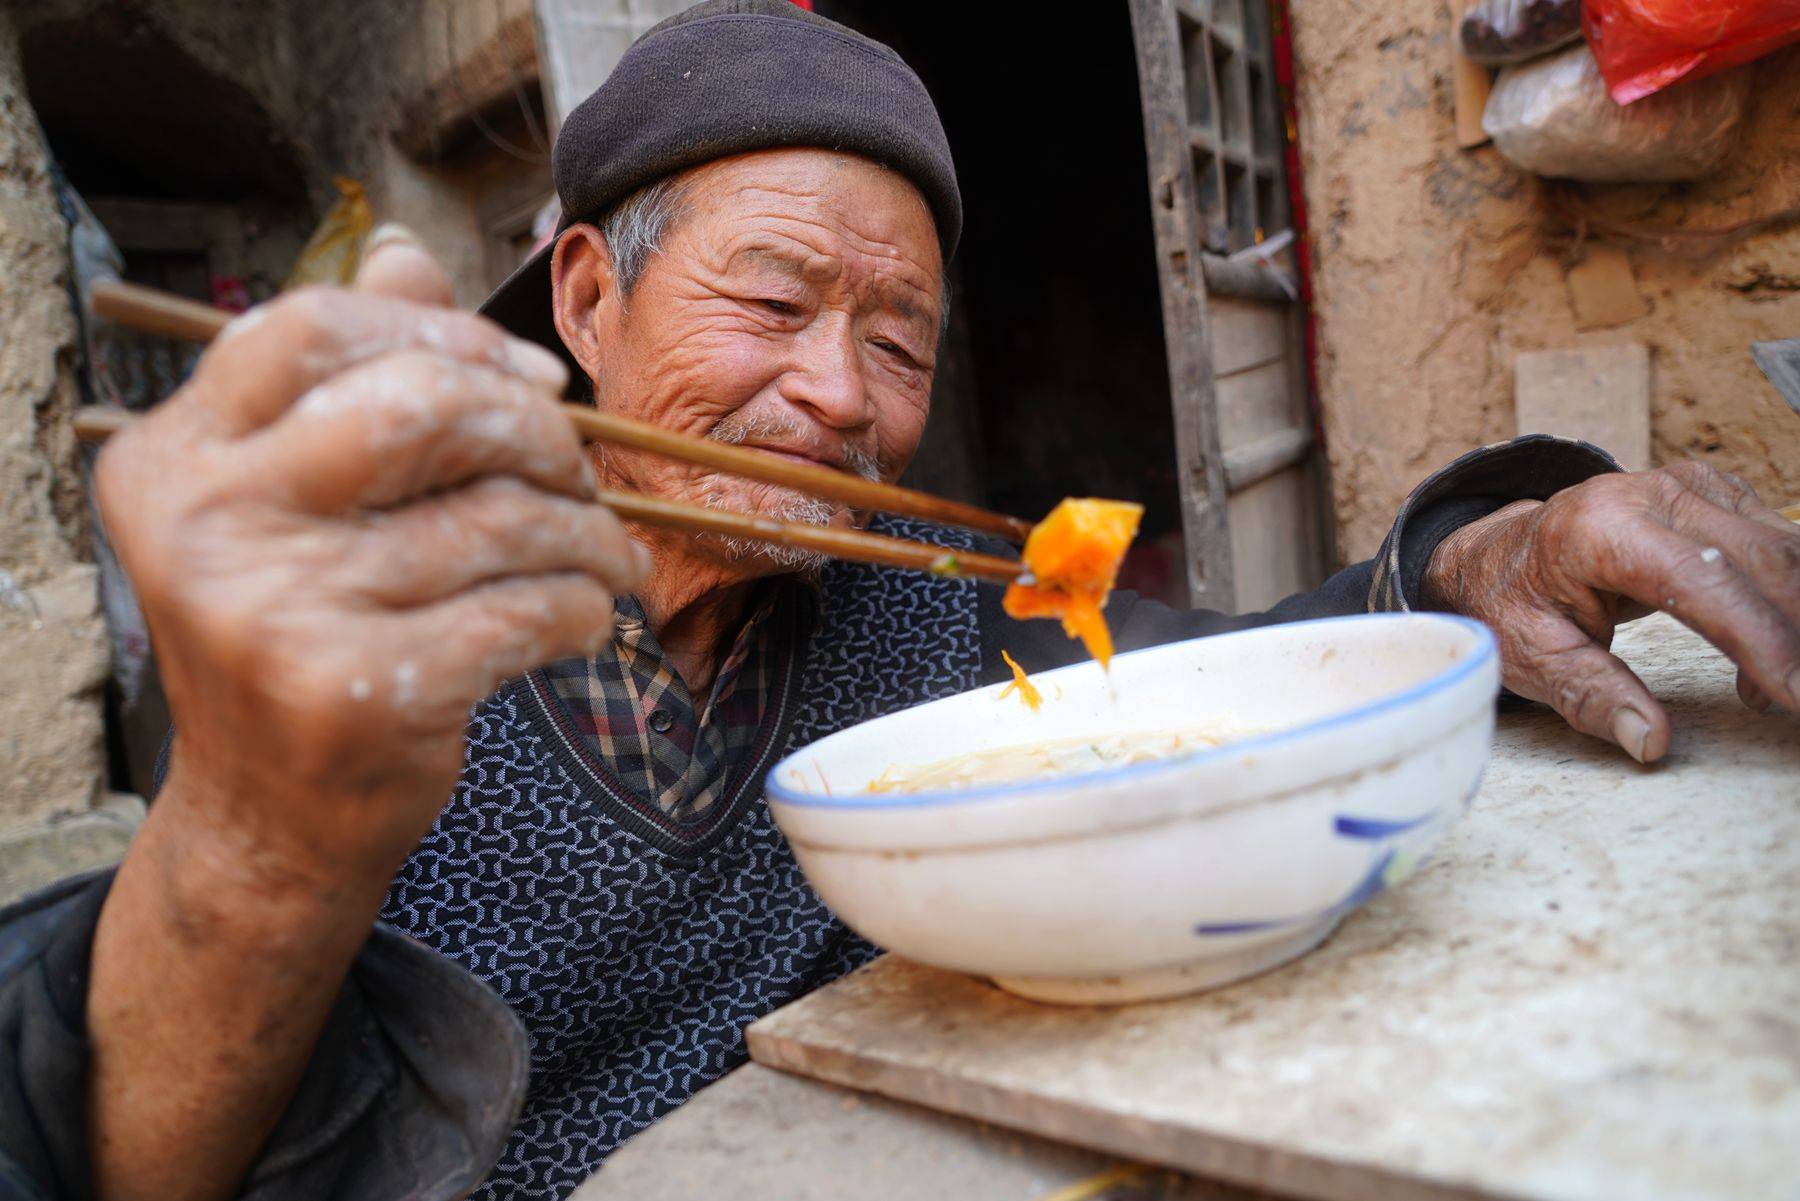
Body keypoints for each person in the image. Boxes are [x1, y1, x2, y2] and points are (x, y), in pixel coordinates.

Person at [2, 3, 1795, 1199]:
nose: (842, 400)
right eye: (773, 306)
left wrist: (1484, 555)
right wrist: (252, 838)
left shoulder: (922, 617)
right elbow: (131, 1144)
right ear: (582, 299)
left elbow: (1216, 685)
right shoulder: (370, 651)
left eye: (899, 339)